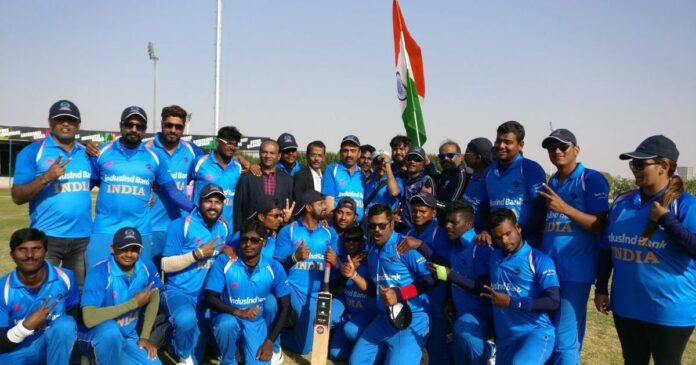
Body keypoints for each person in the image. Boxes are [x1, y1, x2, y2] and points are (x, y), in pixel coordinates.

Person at [595, 135, 696, 365]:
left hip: (669, 309)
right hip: (626, 306)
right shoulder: (622, 202)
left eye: (641, 164)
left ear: (664, 166)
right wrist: (601, 287)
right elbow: (606, 251)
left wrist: (668, 221)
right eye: (633, 164)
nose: (635, 169)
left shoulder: (686, 205)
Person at [87, 106, 194, 267]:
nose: (134, 129)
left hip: (140, 230)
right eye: (129, 125)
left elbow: (172, 192)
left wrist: (197, 209)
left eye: (140, 126)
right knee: (99, 281)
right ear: (121, 125)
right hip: (105, 230)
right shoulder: (100, 152)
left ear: (145, 130)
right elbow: (82, 188)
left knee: (140, 283)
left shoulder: (154, 156)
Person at [538, 129, 609, 365]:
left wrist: (565, 207)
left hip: (575, 270)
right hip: (549, 269)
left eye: (563, 147)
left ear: (576, 150)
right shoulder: (553, 181)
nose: (557, 151)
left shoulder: (590, 178)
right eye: (551, 148)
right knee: (547, 332)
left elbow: (600, 225)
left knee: (564, 338)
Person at [397, 201, 494, 365]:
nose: (448, 226)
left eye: (454, 222)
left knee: (466, 339)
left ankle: (490, 351)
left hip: (478, 318)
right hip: (457, 314)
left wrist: (451, 276)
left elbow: (484, 289)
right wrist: (421, 245)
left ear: (469, 224)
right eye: (447, 221)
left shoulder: (480, 246)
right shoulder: (454, 246)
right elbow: (442, 262)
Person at [11, 100, 94, 287]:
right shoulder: (33, 152)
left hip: (82, 238)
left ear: (78, 124)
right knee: (46, 289)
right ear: (50, 122)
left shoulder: (86, 153)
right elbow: (17, 196)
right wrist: (46, 177)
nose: (66, 124)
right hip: (47, 237)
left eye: (71, 120)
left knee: (78, 290)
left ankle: (71, 318)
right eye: (60, 119)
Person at [349, 204, 435, 365]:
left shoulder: (403, 246)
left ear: (392, 224)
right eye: (373, 226)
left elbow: (432, 277)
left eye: (382, 225)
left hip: (412, 318)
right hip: (384, 319)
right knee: (356, 362)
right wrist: (352, 274)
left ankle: (417, 355)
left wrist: (401, 294)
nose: (377, 230)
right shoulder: (372, 251)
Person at [160, 184, 231, 364]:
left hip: (207, 297)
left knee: (199, 354)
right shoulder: (181, 225)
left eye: (217, 202)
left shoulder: (223, 226)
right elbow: (165, 265)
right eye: (208, 201)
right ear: (199, 202)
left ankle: (175, 337)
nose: (213, 206)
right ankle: (174, 342)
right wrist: (196, 254)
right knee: (185, 320)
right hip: (180, 292)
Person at [205, 221, 292, 365]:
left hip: (255, 323)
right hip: (228, 317)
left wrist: (270, 341)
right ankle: (228, 359)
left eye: (254, 240)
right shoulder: (224, 261)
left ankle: (246, 348)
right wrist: (239, 312)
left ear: (263, 243)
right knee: (225, 324)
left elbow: (285, 306)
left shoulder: (274, 267)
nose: (248, 244)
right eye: (244, 239)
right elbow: (210, 298)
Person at [483, 208, 560, 365]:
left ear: (518, 227)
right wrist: (450, 275)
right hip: (505, 339)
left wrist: (512, 302)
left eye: (508, 233)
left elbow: (553, 301)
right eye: (498, 237)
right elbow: (481, 288)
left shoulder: (539, 260)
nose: (504, 241)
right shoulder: (494, 258)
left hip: (536, 334)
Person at [272, 190, 344, 355]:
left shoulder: (329, 232)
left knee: (327, 324)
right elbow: (276, 267)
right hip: (295, 289)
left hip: (320, 293)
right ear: (309, 207)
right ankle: (273, 334)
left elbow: (339, 266)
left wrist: (336, 262)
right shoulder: (288, 231)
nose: (325, 207)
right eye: (320, 204)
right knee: (304, 349)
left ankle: (294, 328)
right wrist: (294, 257)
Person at [79, 227, 163, 365]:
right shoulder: (99, 272)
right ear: (112, 248)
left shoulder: (146, 265)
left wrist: (145, 336)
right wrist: (133, 304)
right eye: (123, 249)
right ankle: (90, 357)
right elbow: (89, 318)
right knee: (110, 330)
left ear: (140, 250)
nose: (129, 254)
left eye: (134, 249)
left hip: (128, 337)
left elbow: (154, 295)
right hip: (97, 335)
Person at [0, 228, 79, 364]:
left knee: (66, 324)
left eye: (36, 248)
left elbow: (74, 317)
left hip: (55, 349)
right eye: (22, 249)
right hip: (18, 351)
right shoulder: (3, 289)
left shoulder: (66, 277)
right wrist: (24, 327)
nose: (30, 255)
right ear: (12, 255)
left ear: (45, 252)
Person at [146, 105, 204, 264]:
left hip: (181, 226)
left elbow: (213, 162)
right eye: (169, 125)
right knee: (151, 279)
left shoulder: (192, 150)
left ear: (183, 128)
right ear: (162, 123)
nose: (173, 130)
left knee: (176, 277)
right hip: (151, 226)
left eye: (178, 127)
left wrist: (242, 161)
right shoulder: (145, 148)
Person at [476, 121, 546, 246]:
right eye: (498, 141)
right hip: (498, 246)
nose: (501, 146)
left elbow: (540, 211)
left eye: (507, 142)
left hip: (525, 245)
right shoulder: (488, 172)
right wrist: (484, 230)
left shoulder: (530, 169)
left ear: (520, 145)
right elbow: (483, 209)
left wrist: (519, 237)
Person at [403, 193, 451, 364]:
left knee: (436, 349)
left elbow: (447, 265)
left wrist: (420, 245)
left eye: (423, 211)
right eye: (414, 210)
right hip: (416, 294)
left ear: (433, 213)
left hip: (436, 294)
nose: (417, 214)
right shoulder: (408, 232)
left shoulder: (440, 232)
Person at [188, 126, 248, 233]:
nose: (233, 147)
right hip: (199, 226)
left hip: (226, 229)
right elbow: (183, 185)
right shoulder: (200, 162)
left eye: (235, 144)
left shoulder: (237, 168)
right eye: (229, 143)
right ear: (218, 142)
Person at [329, 226, 375, 361]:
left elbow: (373, 290)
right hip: (349, 313)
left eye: (355, 240)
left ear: (362, 242)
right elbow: (335, 288)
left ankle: (369, 349)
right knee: (335, 355)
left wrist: (354, 274)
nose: (351, 243)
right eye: (348, 240)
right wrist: (344, 271)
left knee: (351, 331)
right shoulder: (343, 260)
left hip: (366, 314)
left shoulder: (369, 261)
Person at [234, 139, 294, 232]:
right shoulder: (246, 178)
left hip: (278, 233)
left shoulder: (288, 180)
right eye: (264, 152)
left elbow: (289, 209)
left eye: (272, 153)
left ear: (278, 156)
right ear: (259, 154)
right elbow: (238, 211)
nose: (268, 156)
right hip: (252, 234)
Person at [323, 135, 366, 221]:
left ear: (359, 153)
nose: (349, 154)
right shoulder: (332, 170)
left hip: (357, 227)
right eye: (345, 150)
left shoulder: (362, 174)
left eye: (353, 151)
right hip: (338, 223)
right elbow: (328, 201)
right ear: (340, 152)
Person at [396, 146, 435, 232]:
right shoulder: (402, 177)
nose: (412, 161)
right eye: (410, 158)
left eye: (417, 159)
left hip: (414, 230)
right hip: (399, 227)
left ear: (424, 162)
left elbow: (425, 210)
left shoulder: (426, 181)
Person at [462, 137, 493, 231]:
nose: (464, 156)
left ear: (478, 157)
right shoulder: (472, 176)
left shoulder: (491, 180)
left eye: (467, 153)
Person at [433, 140, 468, 218]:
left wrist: (428, 201)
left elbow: (452, 205)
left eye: (450, 155)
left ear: (460, 157)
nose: (445, 158)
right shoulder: (446, 172)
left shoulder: (461, 176)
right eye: (441, 156)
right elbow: (435, 175)